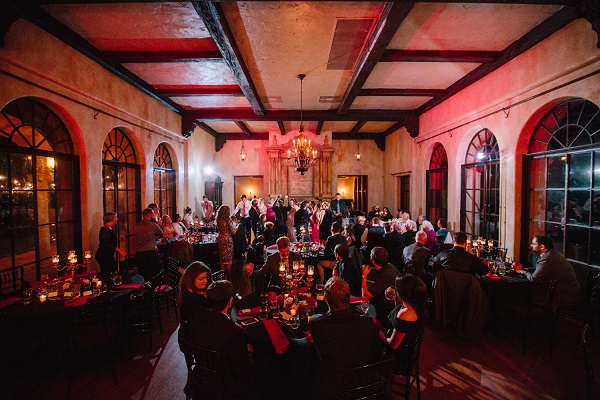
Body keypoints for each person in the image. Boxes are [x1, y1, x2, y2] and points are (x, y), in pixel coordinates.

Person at [181, 280, 257, 400]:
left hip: (200, 375)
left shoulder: (193, 321)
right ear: (229, 302)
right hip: (224, 383)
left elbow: (184, 346)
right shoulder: (234, 332)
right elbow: (242, 370)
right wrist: (249, 352)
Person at [309, 277, 383, 400]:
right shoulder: (368, 323)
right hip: (366, 382)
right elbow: (377, 353)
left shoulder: (317, 323)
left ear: (326, 300)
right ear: (349, 299)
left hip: (334, 384)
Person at [514, 235, 581, 306]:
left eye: (534, 244)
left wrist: (520, 271)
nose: (531, 245)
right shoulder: (552, 253)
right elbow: (543, 269)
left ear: (542, 246)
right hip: (567, 291)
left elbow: (533, 278)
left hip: (563, 295)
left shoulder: (546, 258)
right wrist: (525, 269)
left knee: (522, 295)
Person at [382, 274, 428, 372]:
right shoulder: (415, 303)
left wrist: (381, 336)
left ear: (404, 294)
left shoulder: (406, 314)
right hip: (404, 350)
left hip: (398, 359)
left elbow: (393, 344)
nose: (395, 289)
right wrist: (395, 297)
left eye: (397, 288)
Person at [361, 246, 399, 328]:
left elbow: (365, 295)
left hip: (384, 309)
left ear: (373, 261)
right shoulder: (390, 266)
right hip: (393, 304)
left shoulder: (384, 277)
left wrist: (364, 275)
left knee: (361, 307)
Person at [134, 208, 163, 280]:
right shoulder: (152, 225)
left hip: (139, 254)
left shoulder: (136, 226)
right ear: (150, 215)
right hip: (150, 253)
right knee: (154, 273)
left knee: (143, 274)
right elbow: (161, 233)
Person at [95, 212, 126, 278]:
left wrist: (117, 239)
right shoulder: (105, 230)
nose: (117, 219)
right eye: (115, 217)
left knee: (112, 271)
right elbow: (107, 243)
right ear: (111, 219)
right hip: (104, 255)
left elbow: (109, 240)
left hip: (107, 255)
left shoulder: (109, 229)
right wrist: (120, 250)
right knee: (109, 273)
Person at [216, 205, 237, 273]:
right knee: (229, 259)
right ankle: (228, 274)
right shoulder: (228, 220)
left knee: (222, 258)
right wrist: (236, 228)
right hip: (227, 239)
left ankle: (222, 274)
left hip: (220, 239)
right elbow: (232, 232)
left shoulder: (218, 219)